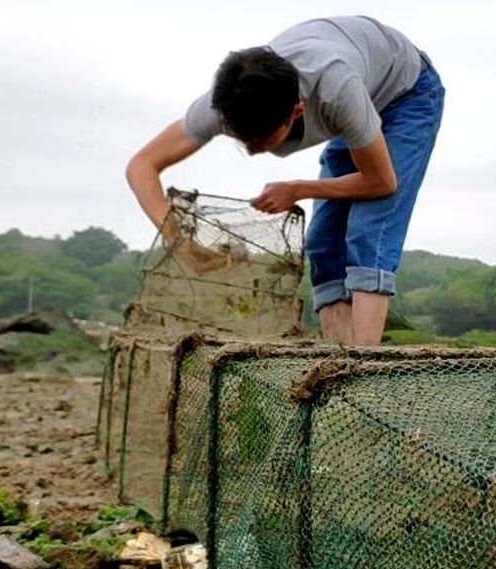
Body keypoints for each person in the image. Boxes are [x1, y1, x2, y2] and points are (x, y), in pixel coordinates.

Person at [125, 15, 444, 346]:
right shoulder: (225, 104)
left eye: (261, 140)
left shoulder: (336, 90)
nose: (251, 151)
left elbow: (381, 182)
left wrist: (299, 189)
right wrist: (180, 242)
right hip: (357, 89)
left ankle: (362, 372)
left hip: (407, 92)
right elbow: (141, 166)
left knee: (369, 231)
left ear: (296, 112)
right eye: (242, 139)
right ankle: (336, 364)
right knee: (322, 242)